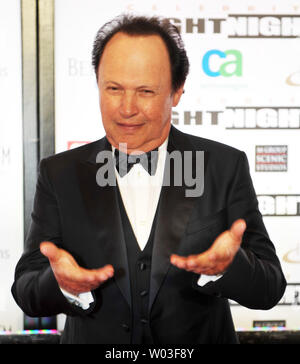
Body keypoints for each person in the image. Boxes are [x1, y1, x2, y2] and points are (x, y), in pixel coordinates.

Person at [12, 14, 286, 344]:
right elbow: (26, 289)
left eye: (145, 91)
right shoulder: (60, 174)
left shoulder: (223, 166)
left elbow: (270, 288)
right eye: (113, 88)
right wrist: (61, 284)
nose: (126, 108)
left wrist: (228, 266)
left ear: (177, 91)